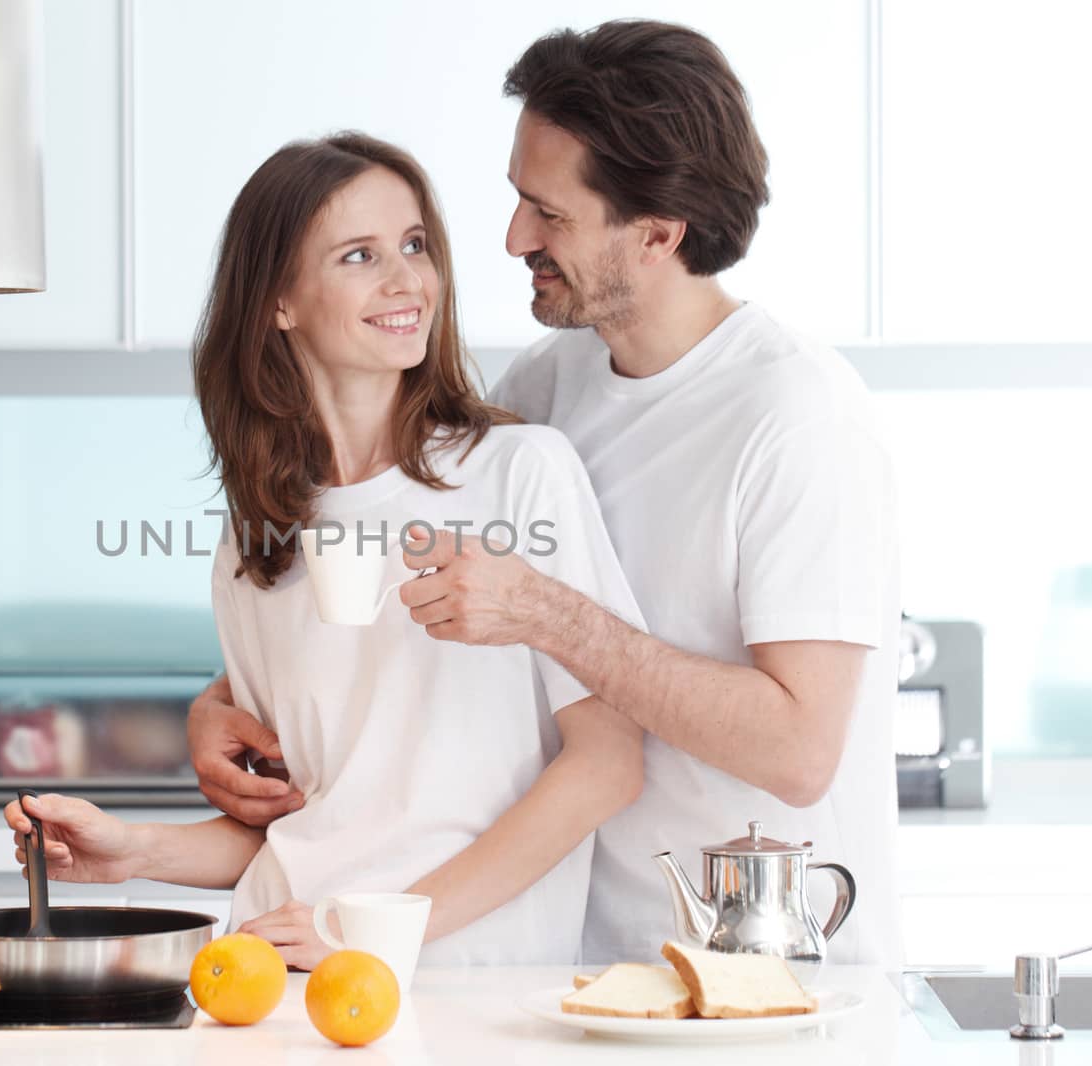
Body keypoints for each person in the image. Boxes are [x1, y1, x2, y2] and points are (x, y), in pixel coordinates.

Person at [188, 20, 902, 967]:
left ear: (656, 234)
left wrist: (548, 615)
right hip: (589, 954)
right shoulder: (549, 386)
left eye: (549, 214)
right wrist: (216, 704)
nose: (514, 236)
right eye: (518, 199)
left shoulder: (798, 417)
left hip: (771, 964)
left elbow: (800, 752)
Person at [6, 132, 648, 968]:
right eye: (359, 255)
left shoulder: (520, 474)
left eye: (415, 245)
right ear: (280, 300)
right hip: (275, 975)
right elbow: (311, 820)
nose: (406, 280)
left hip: (466, 988)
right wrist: (135, 851)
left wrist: (381, 928)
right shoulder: (256, 544)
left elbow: (608, 765)